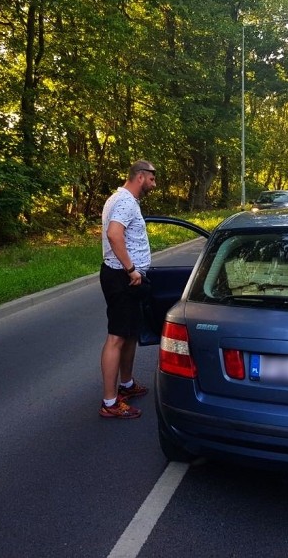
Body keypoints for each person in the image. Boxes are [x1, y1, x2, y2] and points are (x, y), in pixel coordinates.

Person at [98, 160, 157, 419]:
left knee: (131, 333)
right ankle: (110, 403)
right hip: (121, 277)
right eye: (152, 179)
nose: (154, 184)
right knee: (117, 337)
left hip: (126, 277)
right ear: (140, 176)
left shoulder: (122, 199)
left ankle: (127, 384)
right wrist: (131, 269)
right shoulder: (124, 201)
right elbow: (114, 234)